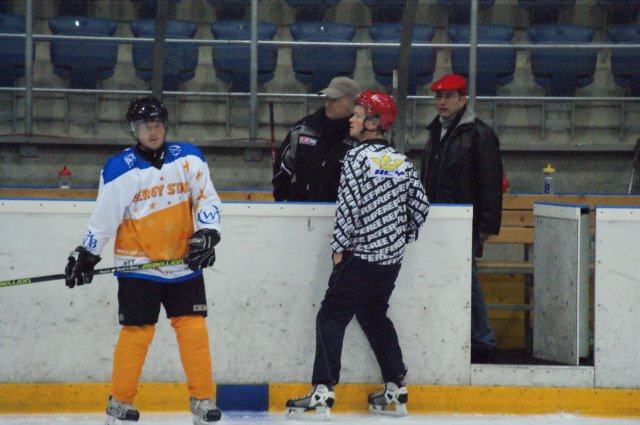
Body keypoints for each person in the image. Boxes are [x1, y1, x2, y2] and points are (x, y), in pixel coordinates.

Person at [64, 96, 223, 425]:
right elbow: (103, 221)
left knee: (193, 329)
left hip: (183, 263)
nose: (153, 130)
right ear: (133, 130)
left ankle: (202, 399)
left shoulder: (189, 158)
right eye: (145, 126)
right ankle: (120, 402)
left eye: (157, 124)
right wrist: (87, 254)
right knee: (137, 331)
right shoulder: (119, 168)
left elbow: (206, 197)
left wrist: (208, 231)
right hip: (138, 266)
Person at [285, 92, 430, 419]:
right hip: (390, 260)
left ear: (374, 122)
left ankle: (323, 390)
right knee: (373, 314)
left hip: (360, 256)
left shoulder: (356, 159)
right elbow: (420, 208)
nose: (352, 118)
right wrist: (397, 237)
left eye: (359, 114)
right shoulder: (401, 161)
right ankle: (396, 386)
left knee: (330, 314)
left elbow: (347, 209)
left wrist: (338, 248)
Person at [419, 74, 504, 364]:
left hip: (464, 222)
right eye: (438, 97)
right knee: (454, 280)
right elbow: (426, 176)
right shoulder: (435, 132)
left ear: (463, 98)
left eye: (449, 96)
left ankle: (482, 341)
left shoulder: (479, 133)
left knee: (466, 281)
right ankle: (464, 337)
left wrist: (485, 227)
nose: (442, 102)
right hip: (437, 219)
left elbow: (491, 182)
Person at [272, 76, 361, 202]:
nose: (327, 104)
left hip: (339, 217)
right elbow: (283, 166)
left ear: (354, 102)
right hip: (298, 211)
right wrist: (283, 201)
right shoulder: (304, 128)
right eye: (327, 98)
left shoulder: (361, 138)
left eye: (334, 99)